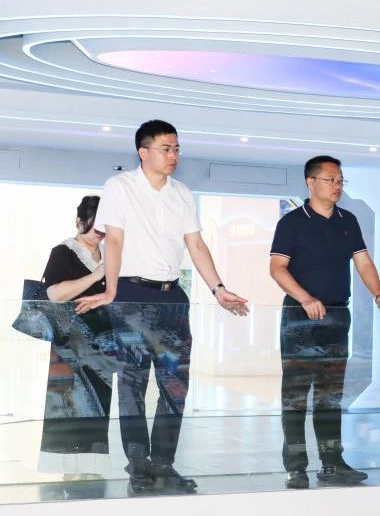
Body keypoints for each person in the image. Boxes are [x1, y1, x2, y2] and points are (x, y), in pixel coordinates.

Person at [76, 119, 249, 494]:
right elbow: (114, 241)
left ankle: (164, 463)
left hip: (172, 298)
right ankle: (138, 465)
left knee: (175, 384)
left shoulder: (182, 193)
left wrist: (218, 289)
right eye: (165, 149)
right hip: (131, 296)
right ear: (143, 152)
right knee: (133, 385)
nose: (173, 155)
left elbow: (196, 245)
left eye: (176, 149)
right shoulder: (120, 186)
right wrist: (111, 290)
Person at [270, 155, 380, 490]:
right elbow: (277, 269)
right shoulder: (292, 222)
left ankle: (332, 464)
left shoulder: (348, 220)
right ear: (311, 182)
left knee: (331, 395)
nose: (337, 185)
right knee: (295, 396)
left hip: (337, 317)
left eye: (340, 180)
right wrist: (305, 298)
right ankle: (296, 467)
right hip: (299, 318)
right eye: (331, 180)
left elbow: (364, 263)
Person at [38, 196, 114, 477]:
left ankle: (91, 468)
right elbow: (54, 294)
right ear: (79, 222)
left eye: (104, 228)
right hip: (69, 342)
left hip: (101, 342)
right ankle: (68, 470)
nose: (99, 234)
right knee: (67, 403)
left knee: (98, 404)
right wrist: (96, 275)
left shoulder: (111, 254)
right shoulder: (64, 252)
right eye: (94, 227)